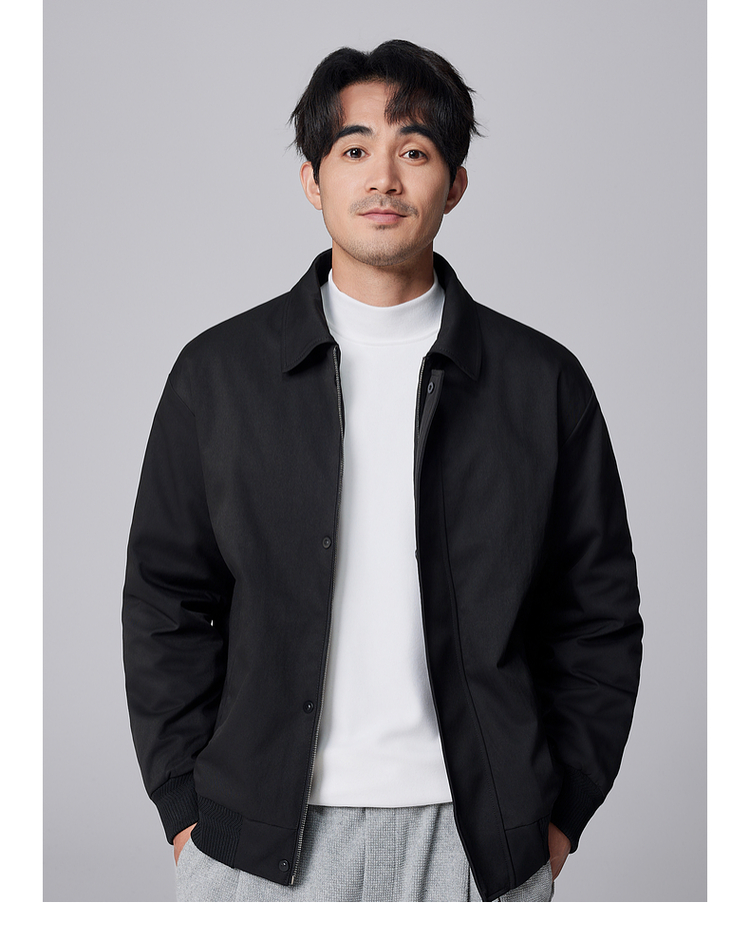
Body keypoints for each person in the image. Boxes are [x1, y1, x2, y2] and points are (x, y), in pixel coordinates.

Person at [122, 39, 643, 903]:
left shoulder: (540, 383)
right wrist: (185, 810)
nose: (384, 179)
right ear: (312, 180)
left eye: (416, 151)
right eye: (354, 150)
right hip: (259, 844)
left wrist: (556, 820)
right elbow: (166, 602)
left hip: (477, 842)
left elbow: (597, 617)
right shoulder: (218, 376)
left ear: (456, 183)